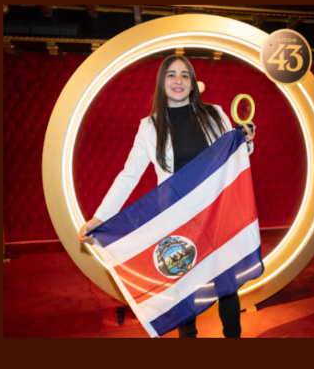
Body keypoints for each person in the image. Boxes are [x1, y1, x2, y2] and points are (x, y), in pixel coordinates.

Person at [78, 55, 256, 338]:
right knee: (183, 290)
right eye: (172, 75)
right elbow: (128, 176)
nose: (178, 81)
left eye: (185, 75)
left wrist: (245, 141)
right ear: (162, 82)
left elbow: (233, 159)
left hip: (215, 211)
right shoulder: (149, 126)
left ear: (193, 83)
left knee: (227, 284)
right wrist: (99, 218)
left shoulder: (216, 113)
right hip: (176, 218)